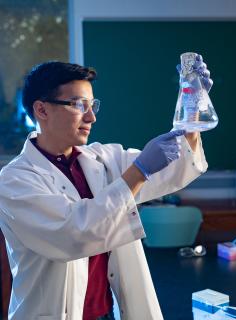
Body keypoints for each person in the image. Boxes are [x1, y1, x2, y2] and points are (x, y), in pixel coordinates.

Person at [0, 57, 212, 319]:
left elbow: (172, 169)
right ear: (42, 110)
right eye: (79, 105)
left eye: (92, 105)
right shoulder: (15, 181)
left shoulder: (102, 159)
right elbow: (74, 233)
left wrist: (191, 112)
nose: (91, 117)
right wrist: (139, 171)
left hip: (106, 313)